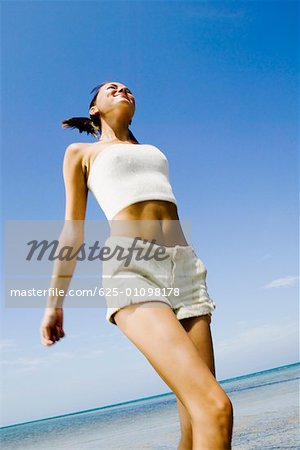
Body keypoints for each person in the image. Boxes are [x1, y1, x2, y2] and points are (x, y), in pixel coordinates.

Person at [40, 81, 233, 449]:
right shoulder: (80, 152)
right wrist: (54, 304)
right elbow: (72, 232)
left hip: (186, 269)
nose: (123, 90)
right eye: (111, 88)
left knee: (195, 420)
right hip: (132, 268)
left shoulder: (152, 151)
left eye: (128, 88)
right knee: (216, 407)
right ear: (93, 109)